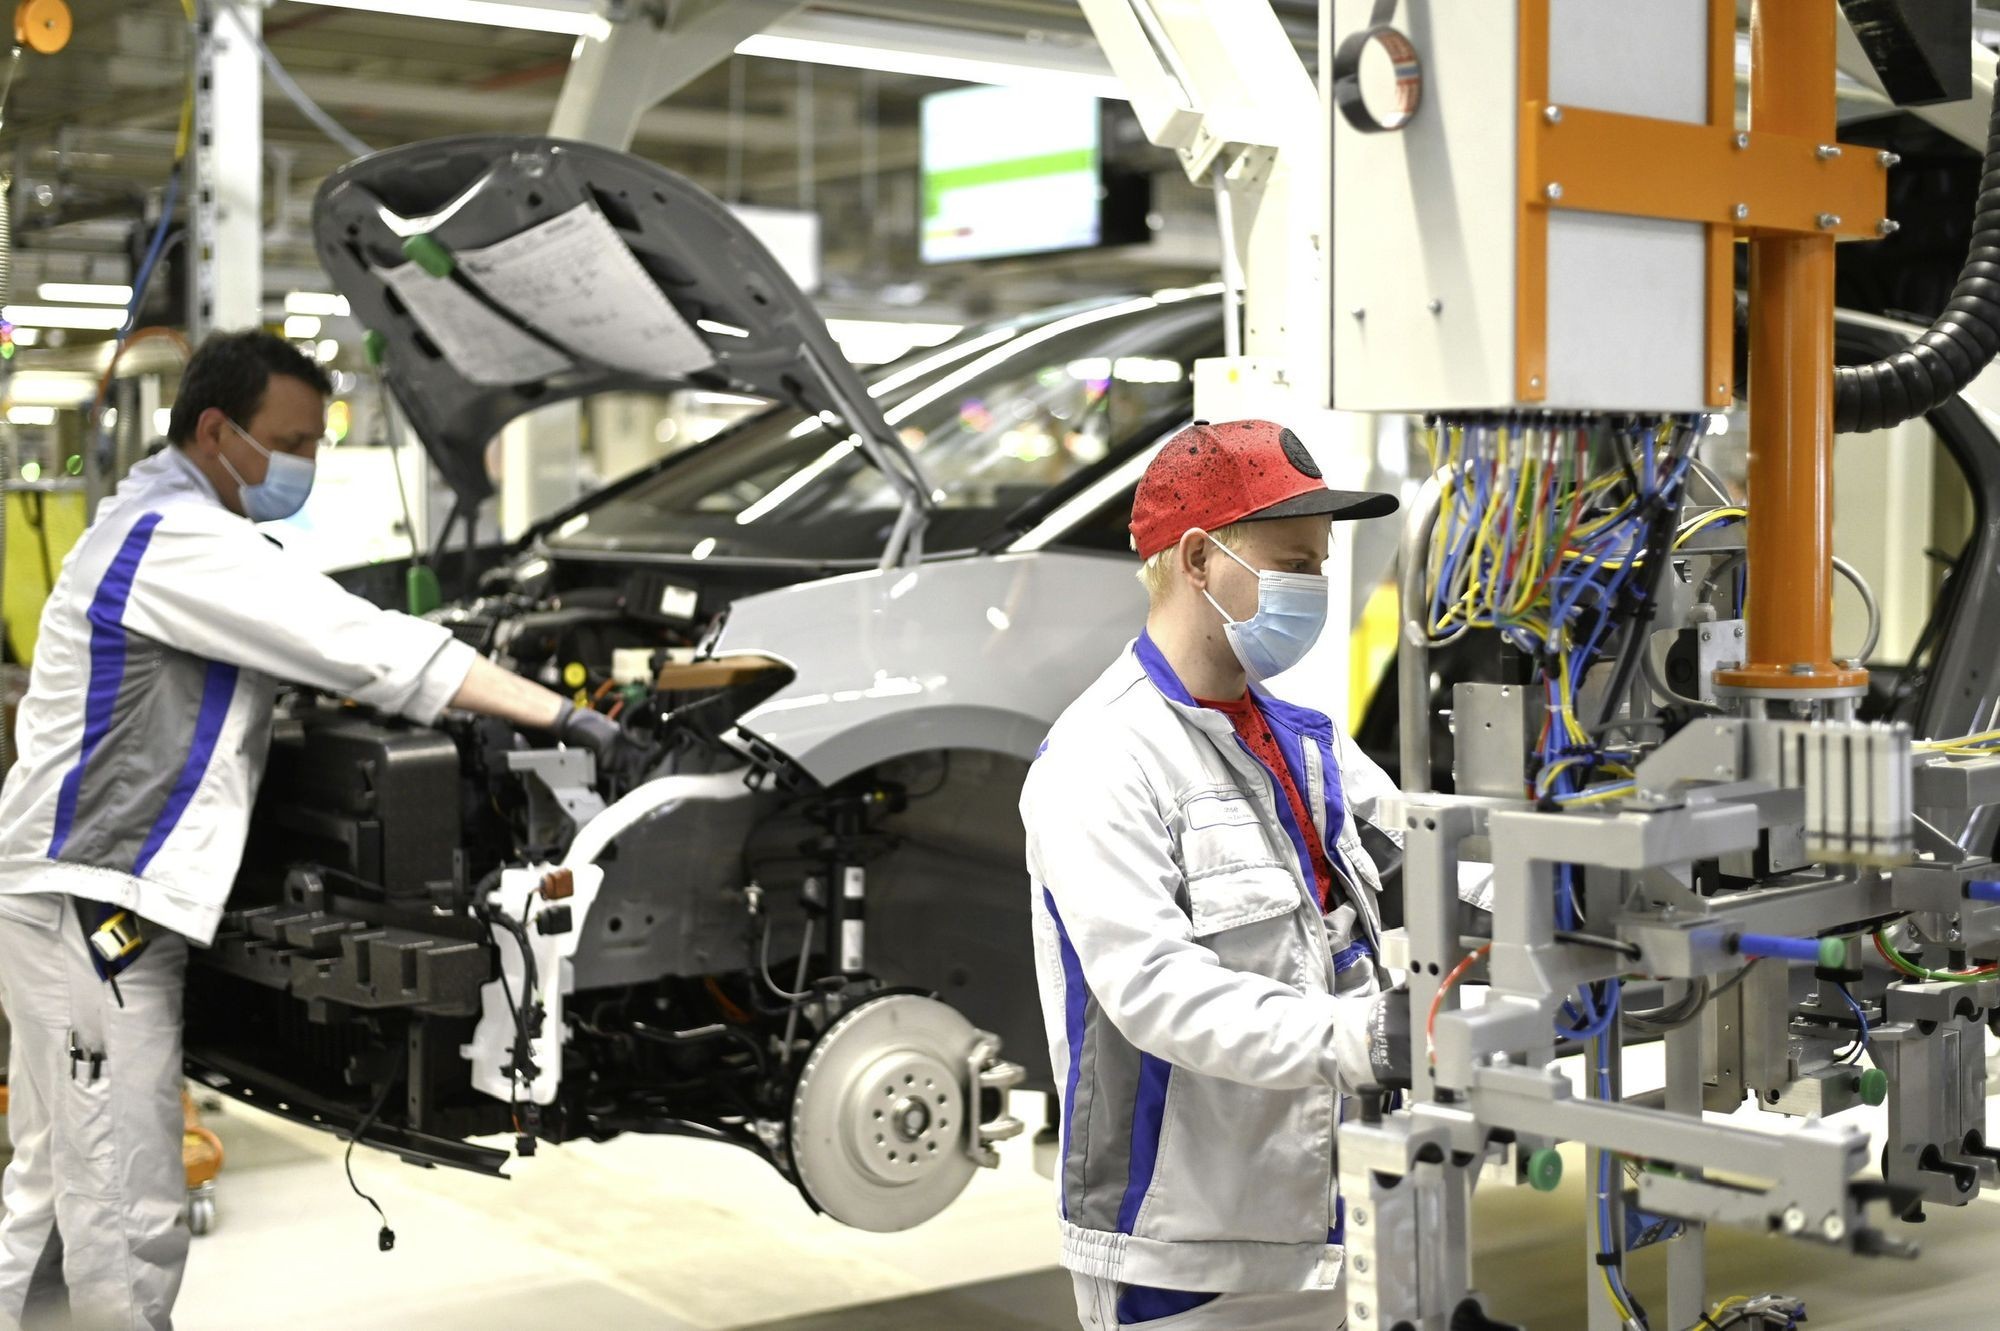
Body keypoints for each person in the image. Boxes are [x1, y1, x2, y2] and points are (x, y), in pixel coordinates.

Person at [0, 330, 642, 1330]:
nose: (303, 462)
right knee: (126, 1201)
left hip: (66, 901)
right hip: (96, 910)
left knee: (53, 1180)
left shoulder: (157, 523)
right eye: (292, 441)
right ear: (217, 431)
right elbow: (361, 644)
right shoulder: (178, 538)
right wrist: (564, 714)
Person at [1024, 418, 1420, 1331]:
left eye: (1320, 565)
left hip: (1322, 1218)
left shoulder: (1303, 740)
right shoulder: (1101, 758)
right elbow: (1155, 989)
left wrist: (1565, 894)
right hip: (1179, 1248)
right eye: (1295, 564)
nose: (1316, 589)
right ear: (1200, 558)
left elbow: (1421, 863)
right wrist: (1363, 1038)